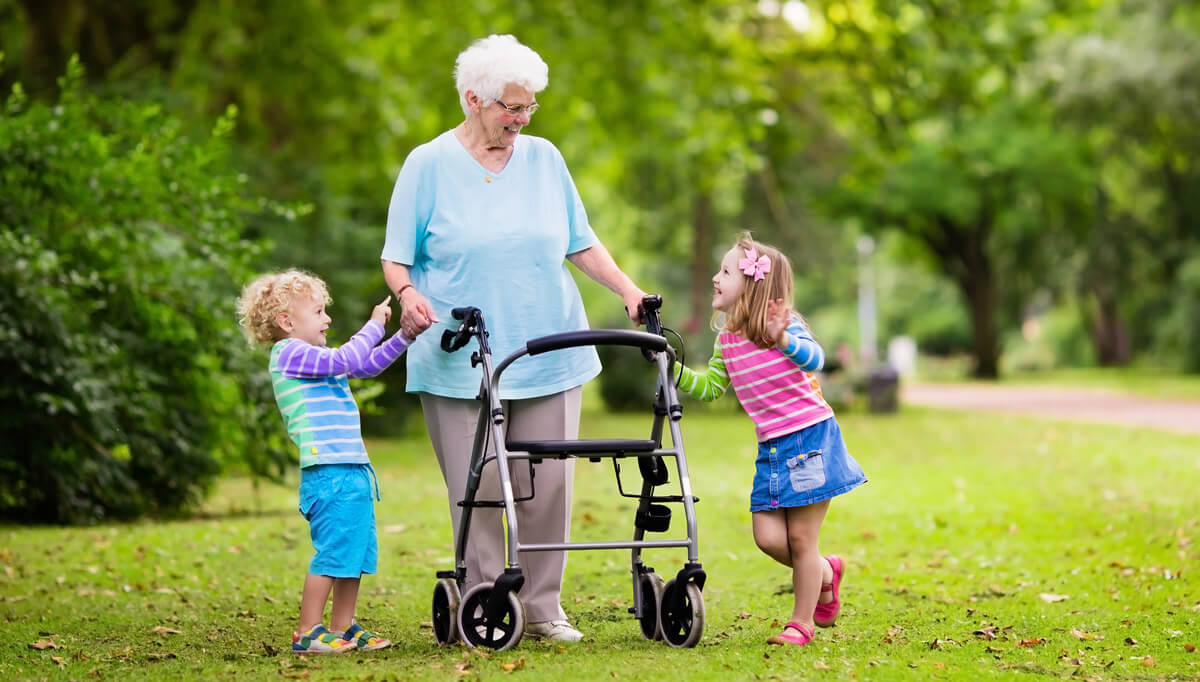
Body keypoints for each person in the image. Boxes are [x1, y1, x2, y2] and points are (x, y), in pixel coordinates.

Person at [380, 34, 647, 642]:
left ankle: (544, 606)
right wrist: (408, 296)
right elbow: (396, 258)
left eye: (529, 108)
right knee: (475, 487)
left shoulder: (545, 158)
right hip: (459, 354)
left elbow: (580, 240)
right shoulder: (427, 164)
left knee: (548, 484)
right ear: (473, 99)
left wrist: (628, 290)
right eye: (511, 108)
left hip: (549, 344)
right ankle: (485, 603)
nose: (522, 120)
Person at [672, 233, 867, 647]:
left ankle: (801, 624)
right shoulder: (726, 341)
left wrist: (782, 339)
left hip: (811, 439)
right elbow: (710, 389)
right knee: (768, 538)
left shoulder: (784, 327)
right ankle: (826, 572)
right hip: (772, 449)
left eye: (724, 271)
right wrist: (671, 369)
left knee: (800, 540)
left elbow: (817, 360)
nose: (714, 277)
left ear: (752, 284)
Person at [236, 269, 419, 654]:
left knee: (354, 551)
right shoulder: (288, 354)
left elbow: (364, 365)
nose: (328, 319)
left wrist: (404, 337)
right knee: (335, 550)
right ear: (288, 322)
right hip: (328, 473)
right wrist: (372, 325)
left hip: (350, 469)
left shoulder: (315, 358)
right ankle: (308, 630)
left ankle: (343, 626)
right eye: (319, 312)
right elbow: (348, 357)